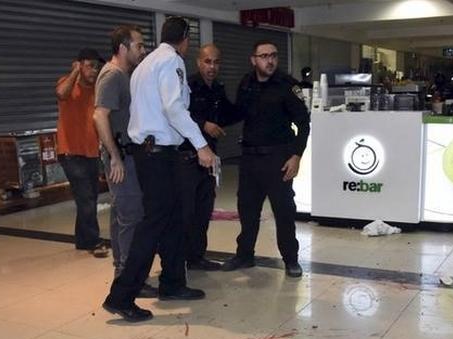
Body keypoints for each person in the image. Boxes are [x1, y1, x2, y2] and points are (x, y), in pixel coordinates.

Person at [102, 17, 216, 323]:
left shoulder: (146, 64)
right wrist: (201, 145)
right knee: (153, 223)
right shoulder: (170, 61)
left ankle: (173, 283)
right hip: (156, 155)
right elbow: (174, 107)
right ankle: (121, 296)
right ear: (185, 39)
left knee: (175, 217)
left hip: (155, 152)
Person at [220, 40, 310, 278]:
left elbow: (303, 123)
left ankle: (291, 259)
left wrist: (296, 156)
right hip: (249, 159)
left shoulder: (287, 85)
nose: (269, 61)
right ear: (253, 59)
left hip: (278, 158)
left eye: (273, 56)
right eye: (264, 56)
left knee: (284, 212)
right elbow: (238, 112)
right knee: (247, 210)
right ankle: (245, 255)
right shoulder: (246, 83)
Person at [92, 25, 157, 297]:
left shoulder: (122, 75)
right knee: (131, 217)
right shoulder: (113, 75)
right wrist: (115, 158)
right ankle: (129, 281)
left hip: (126, 154)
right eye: (138, 46)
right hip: (122, 157)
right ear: (123, 48)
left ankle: (122, 274)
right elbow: (99, 116)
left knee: (123, 218)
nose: (142, 50)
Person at [181, 44, 241, 271]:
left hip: (211, 158)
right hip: (187, 158)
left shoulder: (217, 88)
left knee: (203, 211)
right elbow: (177, 114)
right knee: (185, 212)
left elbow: (227, 113)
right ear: (198, 62)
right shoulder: (187, 86)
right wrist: (203, 124)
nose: (212, 66)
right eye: (208, 61)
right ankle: (179, 260)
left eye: (216, 62)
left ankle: (197, 257)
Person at [55, 48, 109, 258]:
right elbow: (61, 94)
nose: (94, 71)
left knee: (89, 197)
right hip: (70, 151)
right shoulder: (67, 84)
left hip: (91, 153)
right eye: (90, 66)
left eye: (97, 67)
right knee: (86, 197)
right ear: (78, 64)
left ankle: (82, 239)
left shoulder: (97, 90)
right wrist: (75, 73)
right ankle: (93, 241)